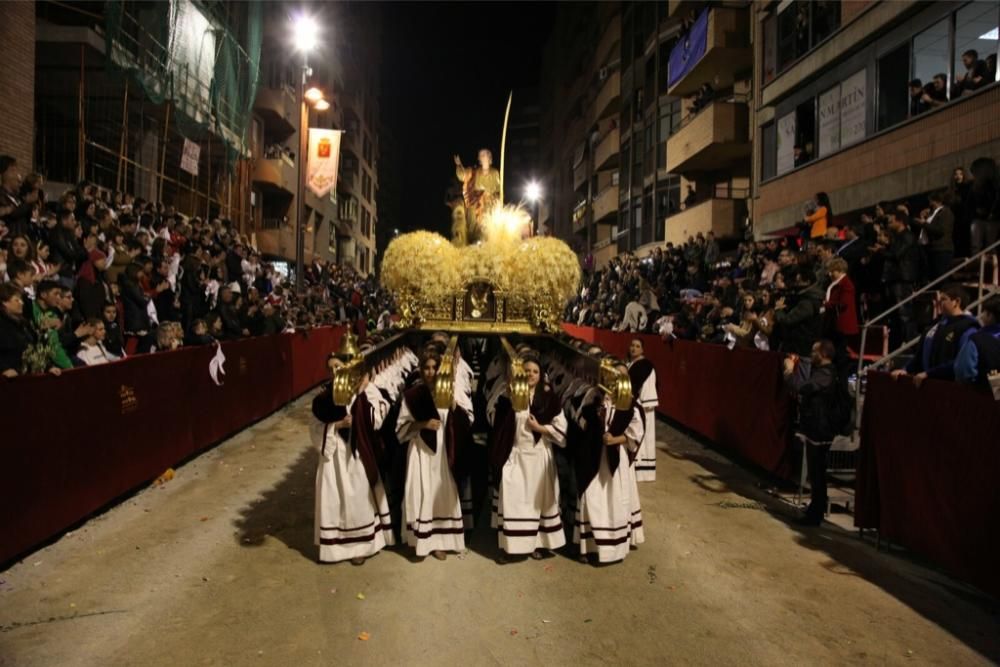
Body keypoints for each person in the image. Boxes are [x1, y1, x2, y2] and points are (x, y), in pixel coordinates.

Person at [312, 351, 394, 565]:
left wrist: (361, 408)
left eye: (338, 366)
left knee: (358, 496)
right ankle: (336, 548)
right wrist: (336, 425)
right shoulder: (325, 396)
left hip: (356, 452)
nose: (334, 371)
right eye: (330, 368)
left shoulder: (363, 390)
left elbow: (380, 416)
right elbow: (314, 427)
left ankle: (361, 545)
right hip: (334, 454)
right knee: (335, 498)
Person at [488, 356, 568, 561]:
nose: (531, 375)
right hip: (516, 455)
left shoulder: (549, 398)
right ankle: (512, 547)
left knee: (537, 503)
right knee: (514, 500)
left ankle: (538, 544)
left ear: (541, 376)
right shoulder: (509, 396)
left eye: (535, 371)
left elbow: (562, 427)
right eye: (527, 371)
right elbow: (499, 428)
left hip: (539, 457)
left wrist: (540, 428)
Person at [396, 352, 470, 560]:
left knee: (441, 495)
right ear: (421, 370)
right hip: (421, 452)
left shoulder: (449, 391)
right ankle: (422, 541)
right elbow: (400, 428)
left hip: (443, 453)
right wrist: (422, 424)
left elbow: (467, 421)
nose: (430, 372)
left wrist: (455, 407)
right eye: (426, 368)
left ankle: (440, 542)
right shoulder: (413, 395)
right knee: (421, 493)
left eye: (434, 368)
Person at [573, 380, 645, 564]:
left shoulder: (628, 405)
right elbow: (579, 418)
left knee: (613, 501)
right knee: (590, 495)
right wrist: (594, 423)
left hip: (613, 459)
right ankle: (587, 547)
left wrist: (615, 439)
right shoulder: (593, 398)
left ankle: (611, 549)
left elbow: (636, 434)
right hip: (593, 455)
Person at [783, 340, 840, 527]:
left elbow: (803, 387)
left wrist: (789, 371)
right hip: (815, 426)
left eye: (814, 351)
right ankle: (816, 508)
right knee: (815, 472)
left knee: (817, 472)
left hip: (821, 429)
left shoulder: (827, 374)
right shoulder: (822, 373)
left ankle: (816, 514)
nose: (811, 354)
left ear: (823, 354)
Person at [892, 284, 979, 386]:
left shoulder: (968, 328)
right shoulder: (934, 326)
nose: (939, 303)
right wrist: (906, 369)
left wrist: (930, 373)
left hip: (950, 386)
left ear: (957, 301)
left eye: (943, 299)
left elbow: (961, 362)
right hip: (929, 384)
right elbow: (919, 356)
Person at [876, 210, 920, 343]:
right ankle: (898, 343)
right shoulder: (897, 237)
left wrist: (881, 250)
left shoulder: (907, 236)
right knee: (894, 315)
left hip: (902, 279)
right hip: (893, 279)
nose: (889, 223)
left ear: (900, 221)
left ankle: (910, 343)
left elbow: (896, 255)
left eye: (892, 220)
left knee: (904, 313)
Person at [627, 338, 658, 482]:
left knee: (643, 437)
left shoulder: (647, 367)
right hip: (633, 406)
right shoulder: (630, 363)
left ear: (642, 350)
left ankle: (643, 471)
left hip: (644, 408)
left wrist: (640, 405)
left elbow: (648, 388)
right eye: (632, 345)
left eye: (637, 346)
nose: (634, 348)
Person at [453, 149, 501, 242]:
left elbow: (498, 191)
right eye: (480, 155)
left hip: (489, 206)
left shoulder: (495, 172)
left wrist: (497, 200)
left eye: (484, 154)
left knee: (489, 231)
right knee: (474, 231)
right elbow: (462, 175)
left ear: (489, 158)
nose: (482, 156)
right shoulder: (474, 172)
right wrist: (459, 165)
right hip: (475, 206)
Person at [954, 297, 1000, 388]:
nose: (981, 316)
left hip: (981, 394)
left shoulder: (977, 339)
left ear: (990, 315)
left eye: (983, 312)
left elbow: (963, 372)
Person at [916, 190, 954, 281]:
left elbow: (940, 230)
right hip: (932, 249)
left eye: (930, 201)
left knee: (941, 276)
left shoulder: (945, 212)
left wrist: (924, 224)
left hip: (942, 249)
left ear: (935, 201)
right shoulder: (932, 213)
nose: (929, 203)